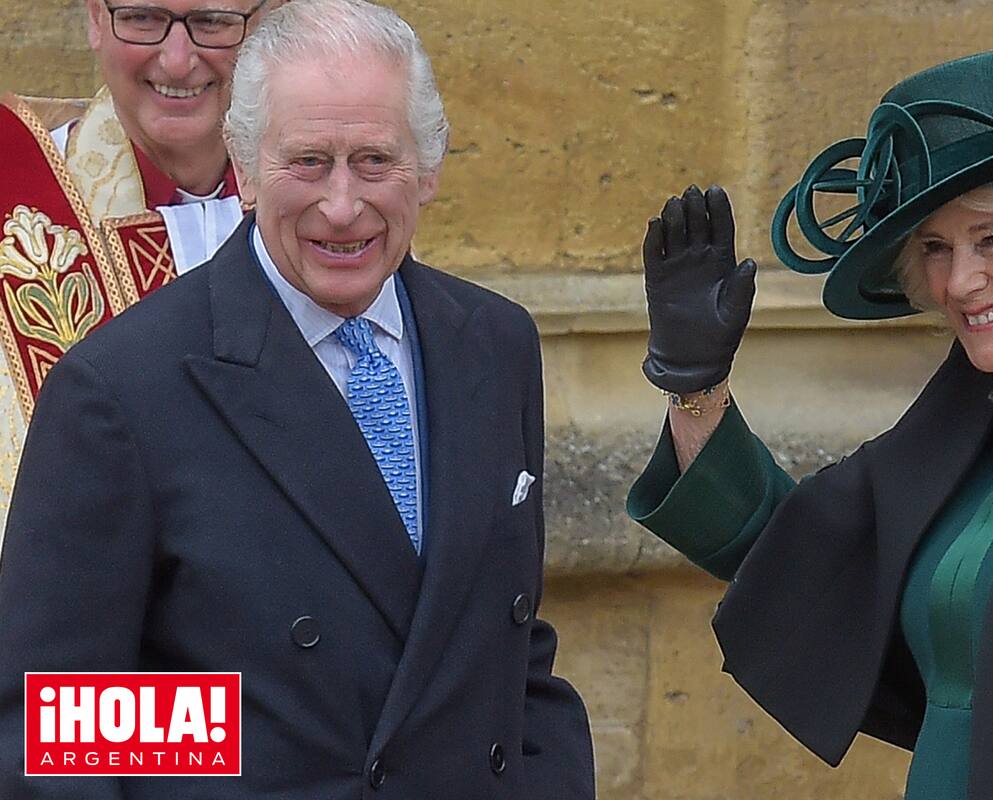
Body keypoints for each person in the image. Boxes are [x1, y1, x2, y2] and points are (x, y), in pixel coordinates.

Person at [0, 0, 595, 796]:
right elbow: (66, 726)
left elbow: (506, 655)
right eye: (308, 162)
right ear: (245, 170)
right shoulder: (118, 390)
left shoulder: (495, 344)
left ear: (430, 169)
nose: (342, 206)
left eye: (375, 161)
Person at [628, 46, 993, 799]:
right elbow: (806, 561)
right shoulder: (976, 423)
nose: (961, 281)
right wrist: (696, 387)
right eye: (935, 247)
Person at [0, 0, 280, 543]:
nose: (177, 62)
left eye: (214, 22)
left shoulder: (333, 206)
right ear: (94, 20)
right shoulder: (13, 185)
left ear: (271, 24)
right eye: (143, 18)